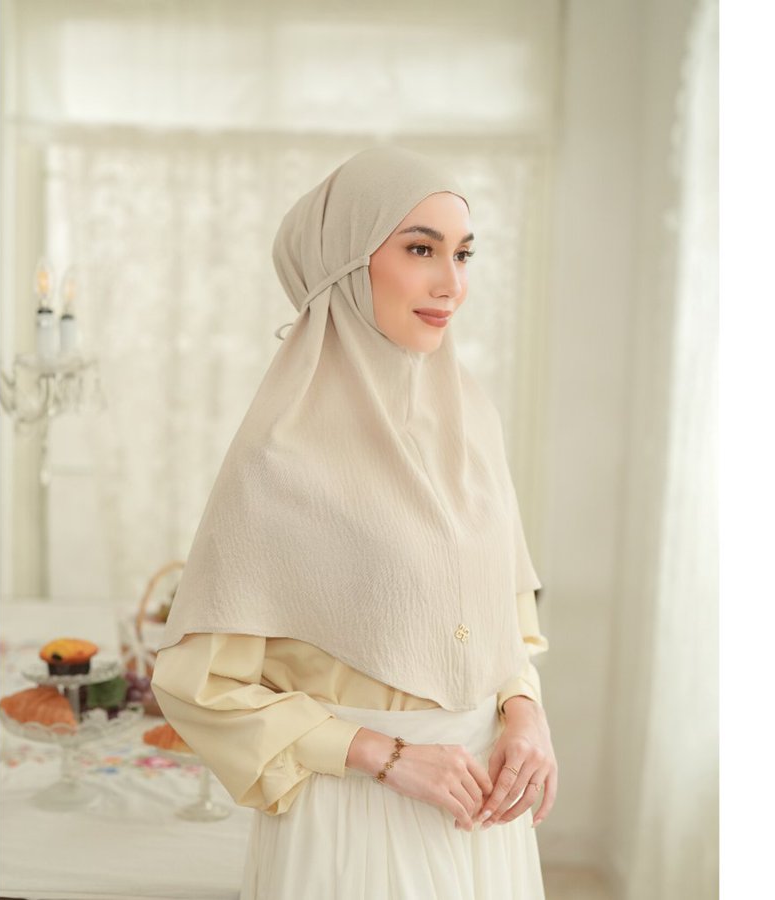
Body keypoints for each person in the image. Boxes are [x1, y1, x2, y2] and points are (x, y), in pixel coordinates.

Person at [151, 145, 558, 899]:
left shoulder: (472, 424)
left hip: (483, 817)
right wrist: (384, 755)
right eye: (420, 249)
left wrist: (524, 713)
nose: (452, 283)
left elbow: (499, 622)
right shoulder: (280, 457)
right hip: (358, 820)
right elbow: (197, 686)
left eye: (463, 253)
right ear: (344, 263)